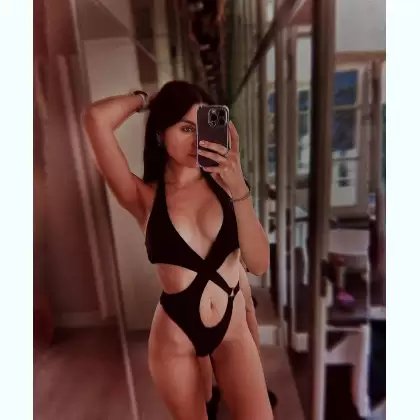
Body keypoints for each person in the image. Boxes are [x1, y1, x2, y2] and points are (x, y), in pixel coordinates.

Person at [83, 81, 273, 420]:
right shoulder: (144, 196)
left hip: (232, 331)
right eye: (186, 128)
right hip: (175, 335)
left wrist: (239, 187)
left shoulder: (227, 187)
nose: (197, 140)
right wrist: (147, 100)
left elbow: (258, 264)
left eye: (203, 127)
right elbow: (96, 119)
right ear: (161, 131)